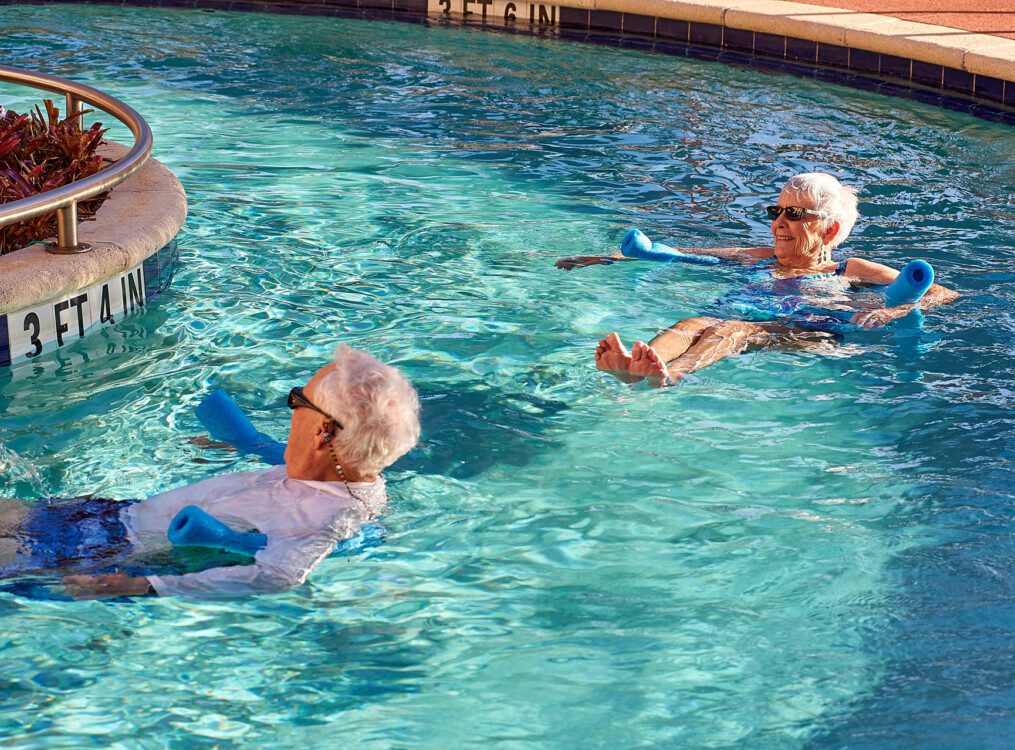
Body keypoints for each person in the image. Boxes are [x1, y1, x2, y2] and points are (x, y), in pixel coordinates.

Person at [0, 345, 421, 599]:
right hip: (111, 515)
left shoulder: (331, 516)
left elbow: (280, 576)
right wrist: (243, 443)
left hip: (103, 553)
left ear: (322, 432)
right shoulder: (332, 472)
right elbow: (275, 453)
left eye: (298, 401)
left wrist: (144, 585)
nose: (291, 411)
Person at [555, 173, 959, 385]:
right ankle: (635, 365)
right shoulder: (763, 256)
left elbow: (942, 292)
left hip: (805, 332)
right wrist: (606, 258)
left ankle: (670, 374)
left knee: (731, 328)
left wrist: (895, 310)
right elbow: (684, 254)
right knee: (691, 323)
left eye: (794, 214)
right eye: (776, 211)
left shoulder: (850, 270)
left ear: (830, 230)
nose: (779, 222)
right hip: (750, 320)